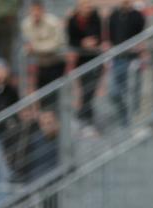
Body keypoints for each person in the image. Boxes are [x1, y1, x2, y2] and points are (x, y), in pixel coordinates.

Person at [106, 0, 145, 127]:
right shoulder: (114, 15)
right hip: (118, 58)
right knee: (114, 92)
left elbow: (142, 36)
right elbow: (110, 36)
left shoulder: (137, 15)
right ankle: (124, 117)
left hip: (133, 59)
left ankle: (133, 121)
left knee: (133, 92)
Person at [67, 0, 102, 130]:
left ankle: (83, 118)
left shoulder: (95, 17)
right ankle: (85, 119)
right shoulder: (72, 20)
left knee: (91, 90)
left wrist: (91, 42)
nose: (88, 8)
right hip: (81, 61)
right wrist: (82, 43)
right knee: (85, 90)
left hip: (95, 58)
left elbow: (98, 35)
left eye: (89, 6)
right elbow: (71, 41)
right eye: (85, 6)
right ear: (79, 7)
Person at [21, 0, 66, 96]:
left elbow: (57, 44)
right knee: (41, 95)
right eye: (33, 11)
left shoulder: (53, 22)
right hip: (40, 65)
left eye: (37, 10)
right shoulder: (26, 24)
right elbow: (27, 45)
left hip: (55, 63)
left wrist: (36, 47)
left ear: (42, 10)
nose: (35, 13)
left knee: (54, 95)